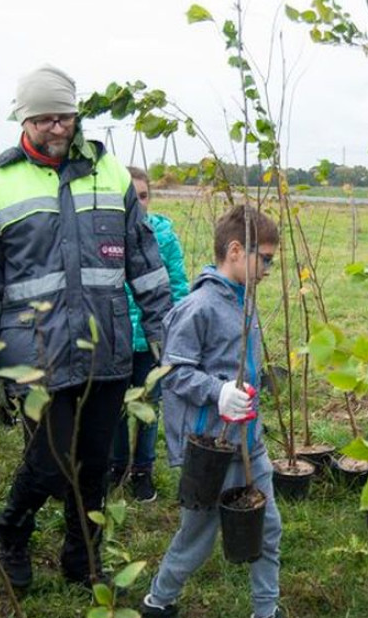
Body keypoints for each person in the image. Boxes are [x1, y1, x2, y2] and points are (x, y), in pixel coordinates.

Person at [0, 65, 173, 589]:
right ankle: (12, 531)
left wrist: (162, 331)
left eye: (64, 117)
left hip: (105, 349)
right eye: (44, 120)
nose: (57, 129)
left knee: (95, 464)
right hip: (34, 352)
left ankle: (83, 559)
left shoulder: (112, 173)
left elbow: (144, 262)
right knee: (50, 462)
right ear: (23, 120)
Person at [140, 205, 283, 618]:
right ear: (236, 250)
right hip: (212, 449)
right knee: (197, 536)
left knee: (267, 529)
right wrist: (218, 392)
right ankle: (159, 600)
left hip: (249, 444)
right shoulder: (198, 307)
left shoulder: (245, 302)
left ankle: (265, 610)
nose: (269, 269)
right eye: (266, 259)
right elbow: (174, 371)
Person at [109, 167, 190, 502]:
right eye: (131, 197)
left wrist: (173, 329)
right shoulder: (106, 238)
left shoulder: (163, 237)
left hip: (150, 340)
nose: (138, 204)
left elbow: (178, 285)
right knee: (113, 407)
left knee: (147, 407)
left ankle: (143, 469)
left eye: (143, 196)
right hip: (114, 339)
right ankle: (116, 466)